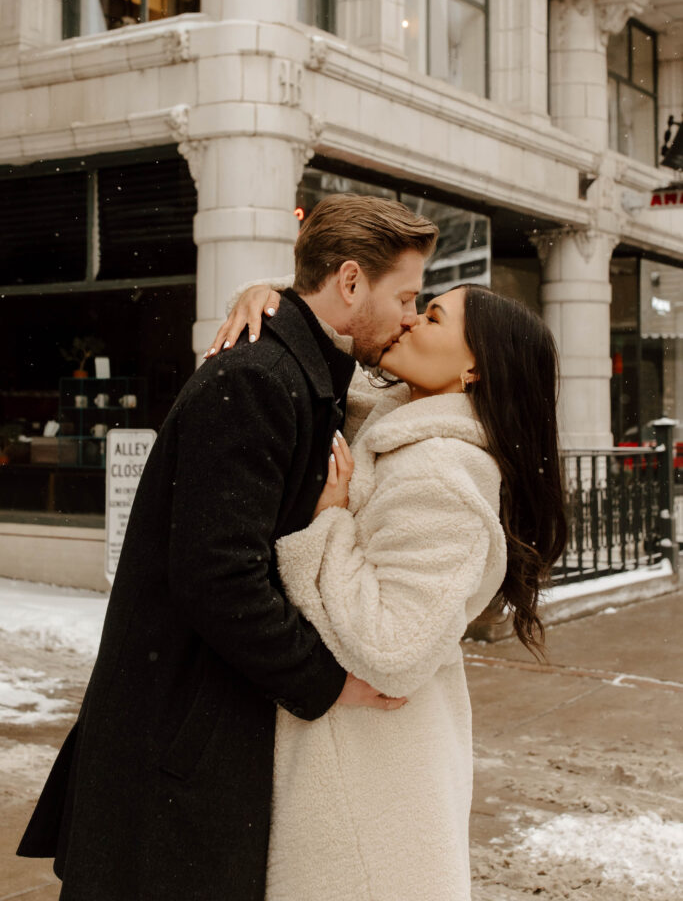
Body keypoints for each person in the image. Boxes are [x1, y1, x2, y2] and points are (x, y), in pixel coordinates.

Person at [16, 194, 439, 901]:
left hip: (191, 736)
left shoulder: (297, 373)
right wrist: (328, 683)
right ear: (350, 282)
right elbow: (217, 576)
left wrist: (268, 291)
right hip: (176, 744)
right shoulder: (257, 379)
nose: (407, 314)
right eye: (406, 295)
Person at [214, 280, 567, 900]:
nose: (408, 322)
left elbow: (392, 648)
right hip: (363, 768)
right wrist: (268, 298)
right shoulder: (397, 420)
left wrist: (329, 524)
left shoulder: (441, 473)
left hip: (371, 790)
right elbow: (324, 351)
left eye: (431, 317)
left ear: (474, 366)